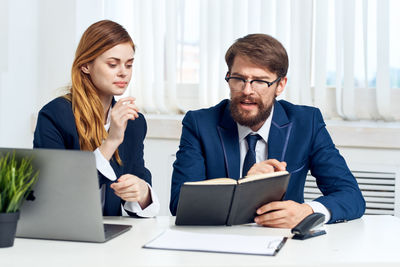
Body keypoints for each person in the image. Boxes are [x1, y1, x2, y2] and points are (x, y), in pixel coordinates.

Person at [170, 34, 365, 227]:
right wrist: (245, 186)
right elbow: (180, 204)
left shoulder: (306, 123)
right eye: (239, 79)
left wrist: (306, 211)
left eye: (260, 81)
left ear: (280, 85)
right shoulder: (200, 124)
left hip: (283, 244)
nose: (247, 90)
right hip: (219, 242)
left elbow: (351, 196)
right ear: (228, 78)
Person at [34, 20, 159, 217]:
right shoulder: (54, 116)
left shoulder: (134, 121)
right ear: (85, 65)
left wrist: (143, 193)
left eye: (129, 64)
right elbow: (57, 194)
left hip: (109, 236)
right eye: (112, 64)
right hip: (62, 234)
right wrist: (112, 141)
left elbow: (140, 181)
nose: (123, 72)